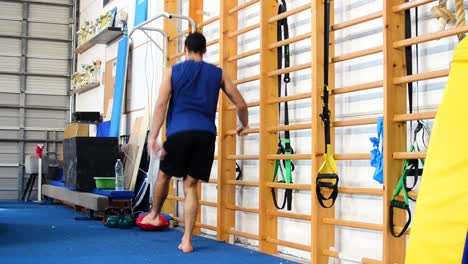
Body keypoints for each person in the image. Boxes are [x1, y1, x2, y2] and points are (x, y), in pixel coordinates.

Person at [142, 32, 249, 253]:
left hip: (179, 132)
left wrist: (153, 137)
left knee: (164, 174)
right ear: (205, 50)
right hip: (206, 134)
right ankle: (188, 240)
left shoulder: (173, 71)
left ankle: (153, 215)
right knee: (191, 186)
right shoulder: (218, 74)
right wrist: (243, 125)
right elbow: (240, 103)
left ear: (185, 49)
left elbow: (161, 105)